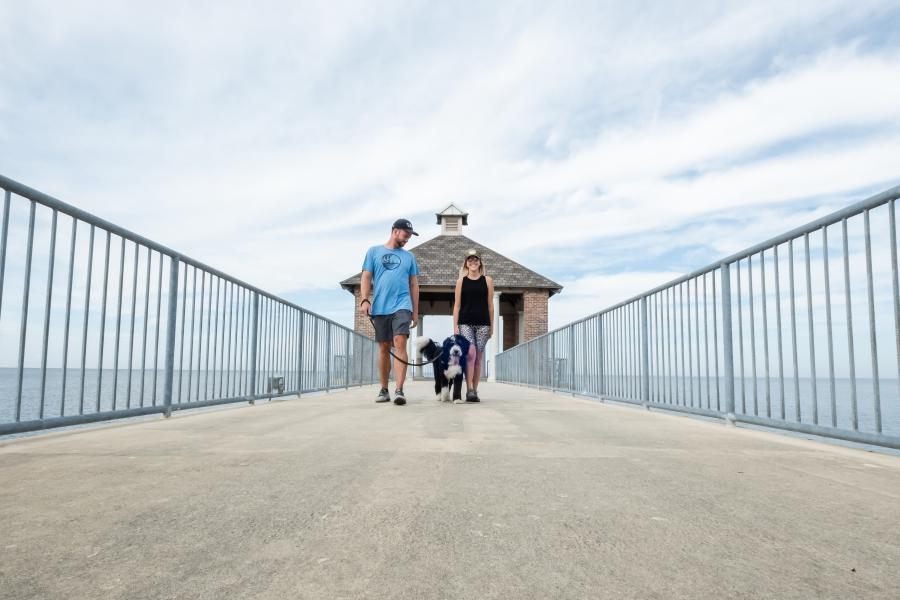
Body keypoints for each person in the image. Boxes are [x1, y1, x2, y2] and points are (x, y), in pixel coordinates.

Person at [359, 218, 420, 405]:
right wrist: (364, 299)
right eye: (405, 234)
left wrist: (415, 311)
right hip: (380, 307)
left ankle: (399, 389)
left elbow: (414, 284)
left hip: (402, 305)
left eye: (410, 236)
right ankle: (384, 389)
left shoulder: (409, 257)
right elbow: (366, 276)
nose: (408, 238)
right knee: (384, 348)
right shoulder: (373, 251)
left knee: (400, 342)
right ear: (394, 231)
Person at [452, 248, 493, 402]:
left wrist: (492, 326)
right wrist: (455, 326)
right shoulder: (460, 282)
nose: (473, 262)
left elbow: (490, 305)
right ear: (466, 263)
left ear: (480, 262)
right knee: (470, 354)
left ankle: (475, 390)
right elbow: (456, 306)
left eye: (476, 260)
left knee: (478, 359)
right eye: (470, 260)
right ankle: (469, 388)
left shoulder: (487, 280)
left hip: (483, 323)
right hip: (465, 323)